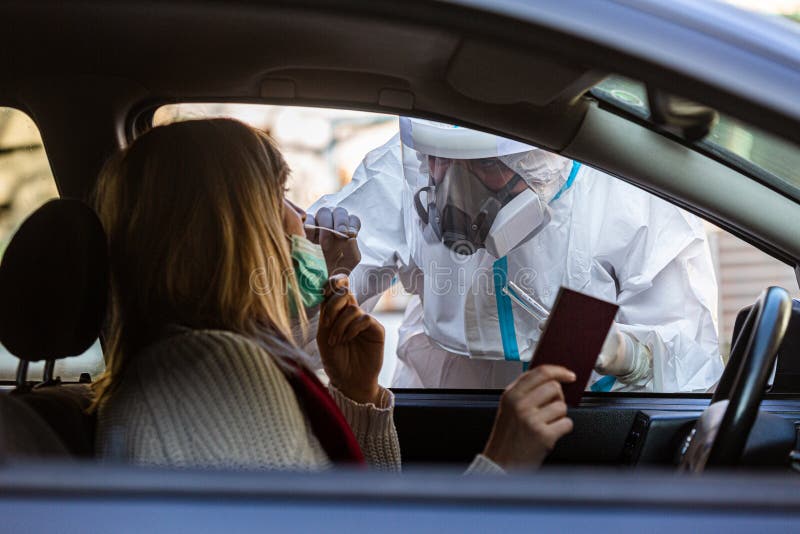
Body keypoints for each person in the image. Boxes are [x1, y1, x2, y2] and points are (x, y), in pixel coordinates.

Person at [91, 118, 575, 473]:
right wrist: (504, 461)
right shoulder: (210, 371)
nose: (298, 217)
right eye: (275, 197)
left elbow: (358, 515)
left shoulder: (192, 370)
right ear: (222, 236)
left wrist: (356, 395)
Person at [310, 117, 724, 392]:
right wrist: (323, 270)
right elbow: (292, 334)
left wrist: (630, 354)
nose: (456, 193)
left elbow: (692, 365)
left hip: (590, 429)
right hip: (440, 413)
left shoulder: (628, 190)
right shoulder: (403, 170)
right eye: (439, 164)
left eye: (487, 167)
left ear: (544, 157)